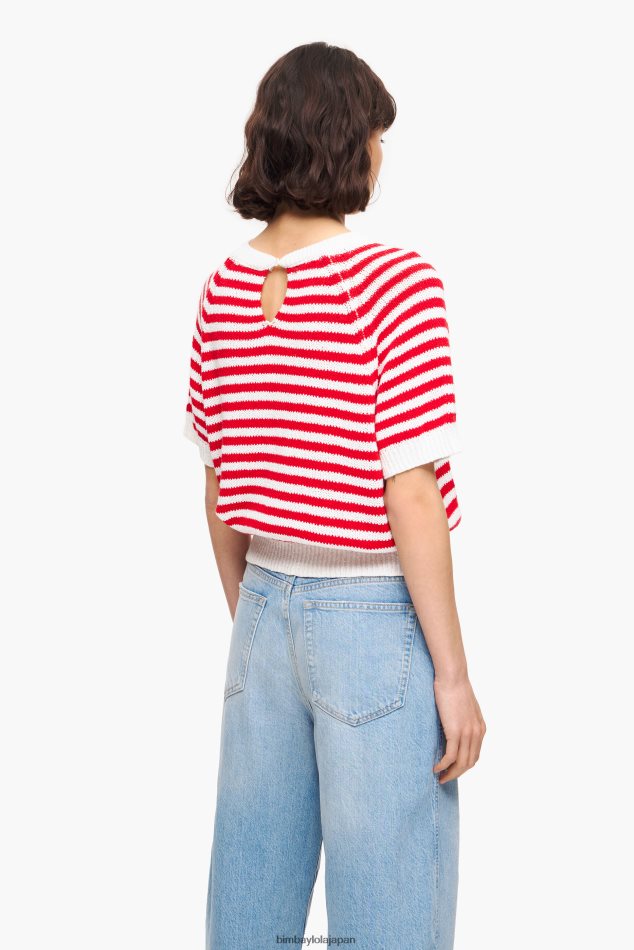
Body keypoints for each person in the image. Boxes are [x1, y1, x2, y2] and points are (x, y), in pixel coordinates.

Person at [184, 41, 486, 950]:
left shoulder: (223, 290)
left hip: (262, 614)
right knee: (392, 907)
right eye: (377, 137)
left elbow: (219, 483)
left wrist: (259, 617)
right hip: (372, 620)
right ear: (347, 143)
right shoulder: (394, 284)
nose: (381, 156)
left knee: (250, 901)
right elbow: (412, 492)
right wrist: (453, 677)